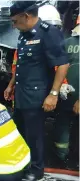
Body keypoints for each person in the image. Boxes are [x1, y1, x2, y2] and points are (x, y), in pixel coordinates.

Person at [4, 1, 69, 180]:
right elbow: (22, 64)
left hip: (36, 96)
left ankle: (36, 170)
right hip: (21, 94)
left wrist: (53, 94)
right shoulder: (24, 35)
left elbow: (63, 64)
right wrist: (11, 85)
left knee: (35, 134)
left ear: (26, 16)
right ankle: (23, 164)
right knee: (19, 132)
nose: (13, 25)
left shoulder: (49, 33)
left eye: (15, 21)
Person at [54, 14, 79, 164]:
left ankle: (62, 158)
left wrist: (57, 89)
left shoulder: (65, 43)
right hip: (68, 96)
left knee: (62, 125)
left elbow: (57, 67)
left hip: (66, 95)